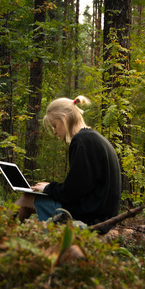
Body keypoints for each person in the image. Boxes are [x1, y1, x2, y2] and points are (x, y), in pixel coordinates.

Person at [16, 95, 122, 228]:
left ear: (64, 118)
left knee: (26, 199)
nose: (54, 132)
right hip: (101, 214)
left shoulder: (81, 141)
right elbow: (82, 185)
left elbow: (71, 193)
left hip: (90, 217)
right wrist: (51, 188)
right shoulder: (94, 138)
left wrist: (49, 188)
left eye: (55, 125)